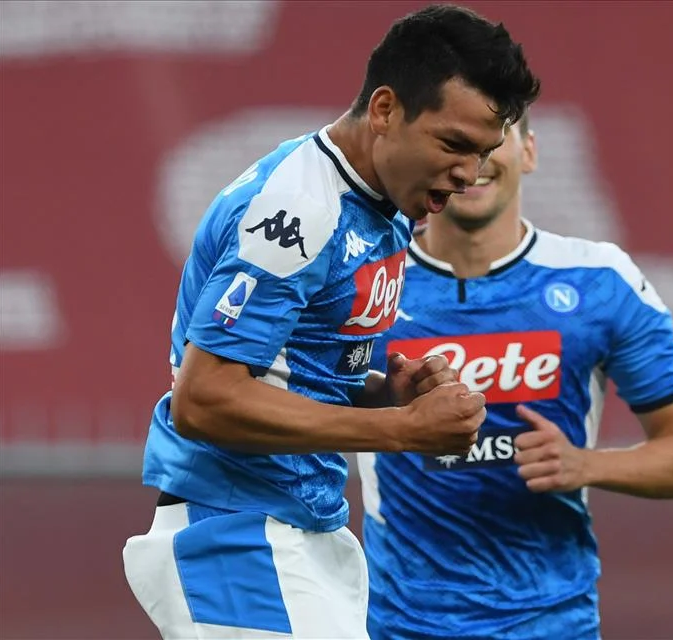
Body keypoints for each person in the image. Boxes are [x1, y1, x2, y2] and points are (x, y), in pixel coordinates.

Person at [121, 5, 540, 639]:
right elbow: (203, 399)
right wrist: (401, 429)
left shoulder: (382, 208)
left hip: (306, 530)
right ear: (385, 109)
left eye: (481, 153)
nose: (468, 174)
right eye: (454, 144)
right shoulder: (300, 210)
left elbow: (291, 372)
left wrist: (387, 394)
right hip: (235, 536)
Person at [357, 115, 673, 640]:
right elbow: (293, 408)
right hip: (399, 624)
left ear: (528, 151)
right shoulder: (367, 280)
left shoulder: (599, 281)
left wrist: (586, 464)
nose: (475, 161)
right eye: (453, 142)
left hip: (552, 624)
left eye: (494, 139)